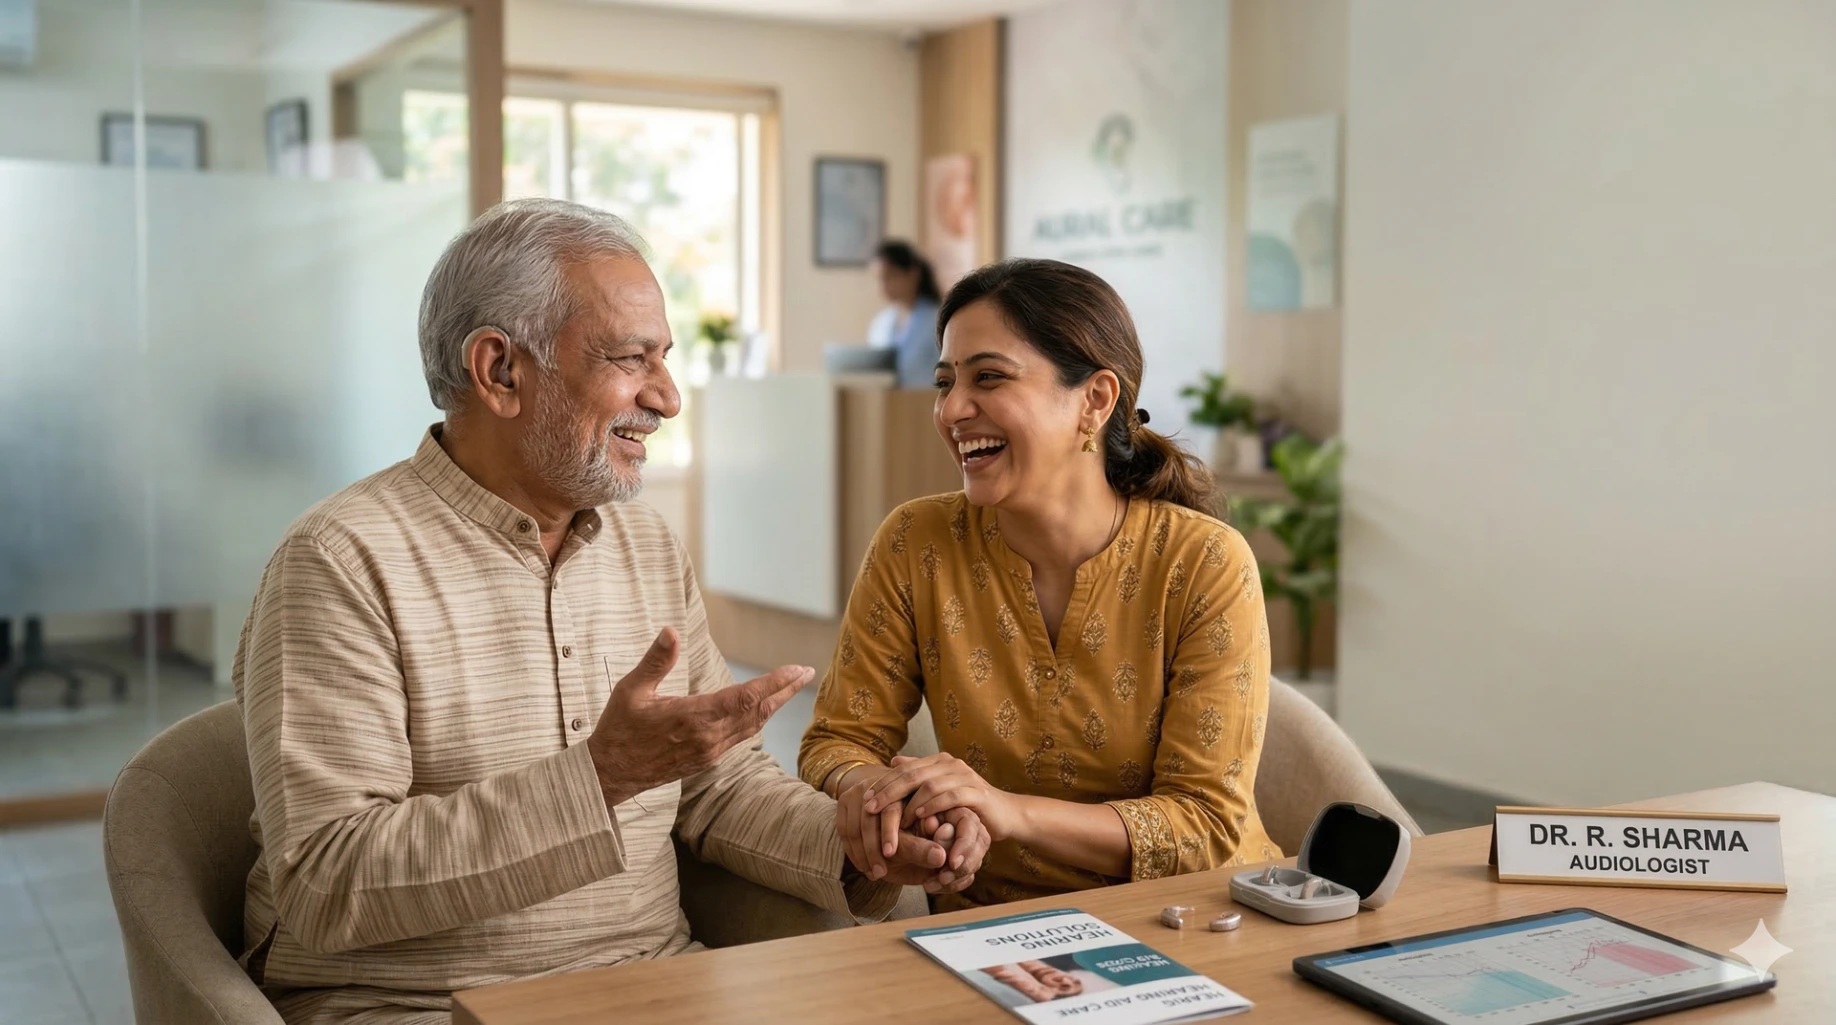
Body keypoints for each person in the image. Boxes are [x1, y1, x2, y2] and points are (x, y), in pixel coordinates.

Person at [233, 199, 987, 1025]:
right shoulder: (340, 560)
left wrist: (862, 839)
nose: (667, 397)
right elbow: (324, 879)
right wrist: (602, 776)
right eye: (632, 358)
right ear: (499, 370)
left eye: (663, 359)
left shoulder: (646, 543)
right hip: (413, 1004)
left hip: (651, 983)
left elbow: (719, 788)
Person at [799, 258, 1280, 911]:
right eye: (945, 382)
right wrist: (878, 795)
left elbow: (1205, 826)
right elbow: (838, 738)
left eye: (989, 377)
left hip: (1191, 920)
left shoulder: (1204, 562)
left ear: (1095, 400)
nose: (951, 409)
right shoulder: (915, 542)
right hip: (987, 926)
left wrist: (1005, 811)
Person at [865, 239, 942, 389]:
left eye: (889, 277)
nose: (883, 286)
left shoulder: (937, 319)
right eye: (879, 279)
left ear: (913, 274)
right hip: (887, 400)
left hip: (927, 399)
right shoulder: (881, 322)